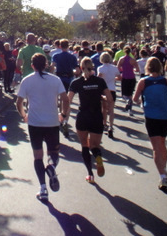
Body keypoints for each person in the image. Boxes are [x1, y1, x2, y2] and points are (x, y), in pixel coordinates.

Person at [16, 53, 70, 202]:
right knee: (54, 153)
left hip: (34, 123)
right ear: (46, 64)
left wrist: (23, 115)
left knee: (37, 156)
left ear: (32, 65)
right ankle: (51, 167)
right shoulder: (55, 79)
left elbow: (19, 102)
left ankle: (43, 188)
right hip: (52, 122)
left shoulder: (27, 80)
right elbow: (65, 100)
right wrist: (63, 115)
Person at [132, 57, 167, 190]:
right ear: (159, 67)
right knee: (162, 143)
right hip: (166, 116)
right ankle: (164, 170)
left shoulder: (143, 81)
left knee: (156, 147)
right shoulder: (166, 81)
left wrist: (142, 104)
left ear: (148, 67)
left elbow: (135, 98)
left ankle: (162, 176)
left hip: (151, 116)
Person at [68, 57, 112, 184]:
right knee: (95, 146)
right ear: (92, 67)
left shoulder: (76, 82)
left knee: (84, 146)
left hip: (83, 117)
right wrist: (103, 102)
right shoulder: (100, 81)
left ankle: (90, 174)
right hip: (96, 117)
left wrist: (64, 114)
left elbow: (68, 100)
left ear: (80, 68)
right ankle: (98, 156)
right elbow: (109, 99)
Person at [96, 51, 120, 138]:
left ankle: (104, 123)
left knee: (104, 108)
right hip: (112, 89)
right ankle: (111, 126)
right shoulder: (114, 68)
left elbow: (99, 77)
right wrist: (113, 78)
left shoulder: (100, 68)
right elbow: (119, 77)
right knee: (111, 109)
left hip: (103, 89)